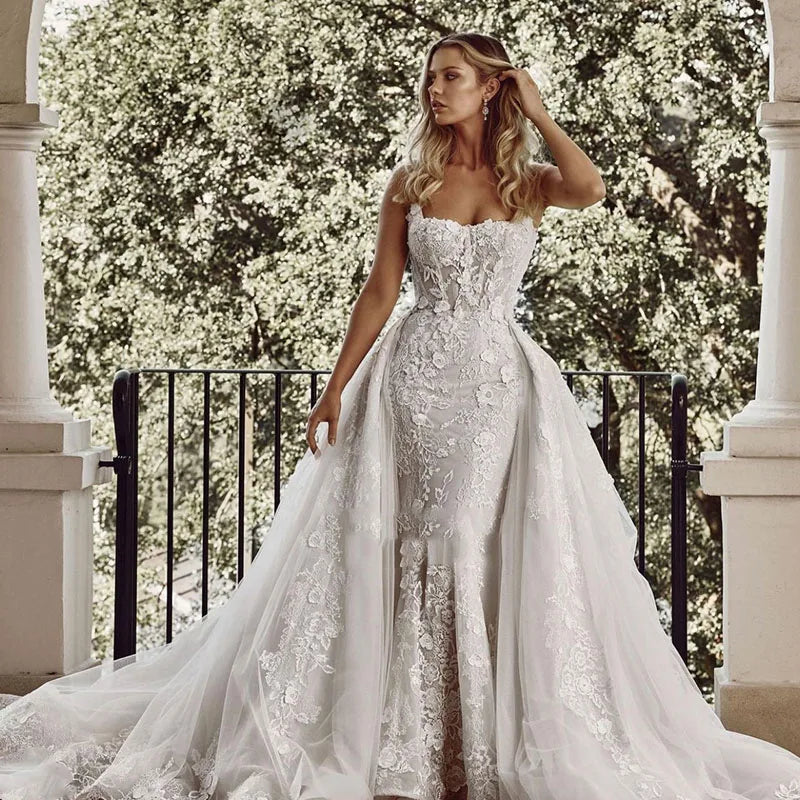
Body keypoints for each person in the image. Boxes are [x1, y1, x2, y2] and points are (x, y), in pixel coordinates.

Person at [2, 29, 800, 800]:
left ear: (492, 90)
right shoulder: (412, 181)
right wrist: (334, 388)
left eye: (454, 75)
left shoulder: (526, 181)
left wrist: (540, 108)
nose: (435, 87)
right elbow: (381, 292)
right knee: (419, 538)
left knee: (473, 540)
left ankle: (467, 737)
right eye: (432, 76)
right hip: (414, 379)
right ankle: (410, 742)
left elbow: (591, 187)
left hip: (497, 386)